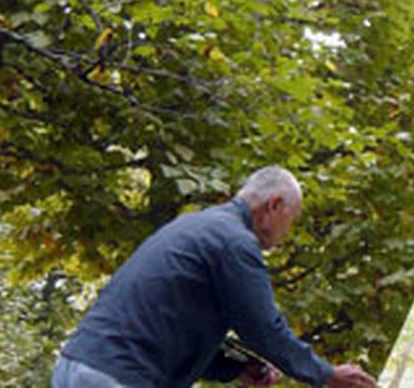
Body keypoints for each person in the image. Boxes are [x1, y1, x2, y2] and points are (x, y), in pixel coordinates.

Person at [53, 166, 377, 388]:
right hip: (118, 375)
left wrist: (236, 368)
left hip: (77, 365)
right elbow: (263, 328)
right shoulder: (235, 242)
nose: (285, 234)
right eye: (290, 221)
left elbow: (173, 327)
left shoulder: (196, 225)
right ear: (274, 205)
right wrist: (326, 375)